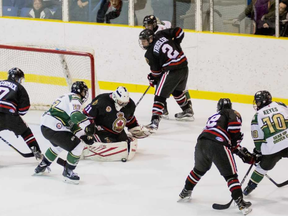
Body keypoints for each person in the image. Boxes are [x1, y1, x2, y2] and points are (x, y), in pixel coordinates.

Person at [178, 98, 254, 215]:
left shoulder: (214, 116)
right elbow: (233, 129)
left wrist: (237, 150)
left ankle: (185, 192)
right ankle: (240, 203)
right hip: (218, 143)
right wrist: (239, 150)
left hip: (201, 142)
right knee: (231, 175)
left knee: (198, 170)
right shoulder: (233, 113)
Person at [34, 81, 95, 184]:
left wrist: (83, 135)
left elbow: (71, 123)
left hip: (45, 126)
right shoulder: (75, 98)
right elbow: (75, 115)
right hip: (55, 126)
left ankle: (43, 164)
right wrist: (89, 125)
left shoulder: (65, 97)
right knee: (78, 146)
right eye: (84, 92)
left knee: (58, 146)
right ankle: (68, 171)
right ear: (81, 91)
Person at [138, 27, 194, 131]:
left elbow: (157, 72)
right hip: (183, 66)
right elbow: (179, 31)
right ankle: (187, 110)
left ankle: (154, 122)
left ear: (150, 39)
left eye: (144, 41)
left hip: (171, 70)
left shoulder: (149, 53)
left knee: (159, 95)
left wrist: (152, 78)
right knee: (176, 91)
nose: (143, 44)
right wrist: (177, 43)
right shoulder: (161, 34)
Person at [81, 86, 151, 162]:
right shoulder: (102, 101)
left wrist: (135, 128)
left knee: (125, 144)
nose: (122, 105)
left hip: (118, 132)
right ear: (115, 97)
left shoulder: (130, 105)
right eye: (120, 102)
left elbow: (129, 119)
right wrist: (89, 127)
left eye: (124, 103)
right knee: (111, 144)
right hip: (101, 130)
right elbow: (86, 114)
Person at [243, 91, 288, 195]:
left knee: (261, 168)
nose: (257, 104)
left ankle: (249, 187)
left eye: (258, 102)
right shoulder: (280, 105)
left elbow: (258, 140)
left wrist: (258, 152)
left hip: (272, 148)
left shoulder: (257, 116)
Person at [0, 67, 42, 160]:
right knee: (26, 132)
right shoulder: (19, 87)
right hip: (11, 115)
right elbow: (24, 109)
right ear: (18, 78)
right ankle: (37, 152)